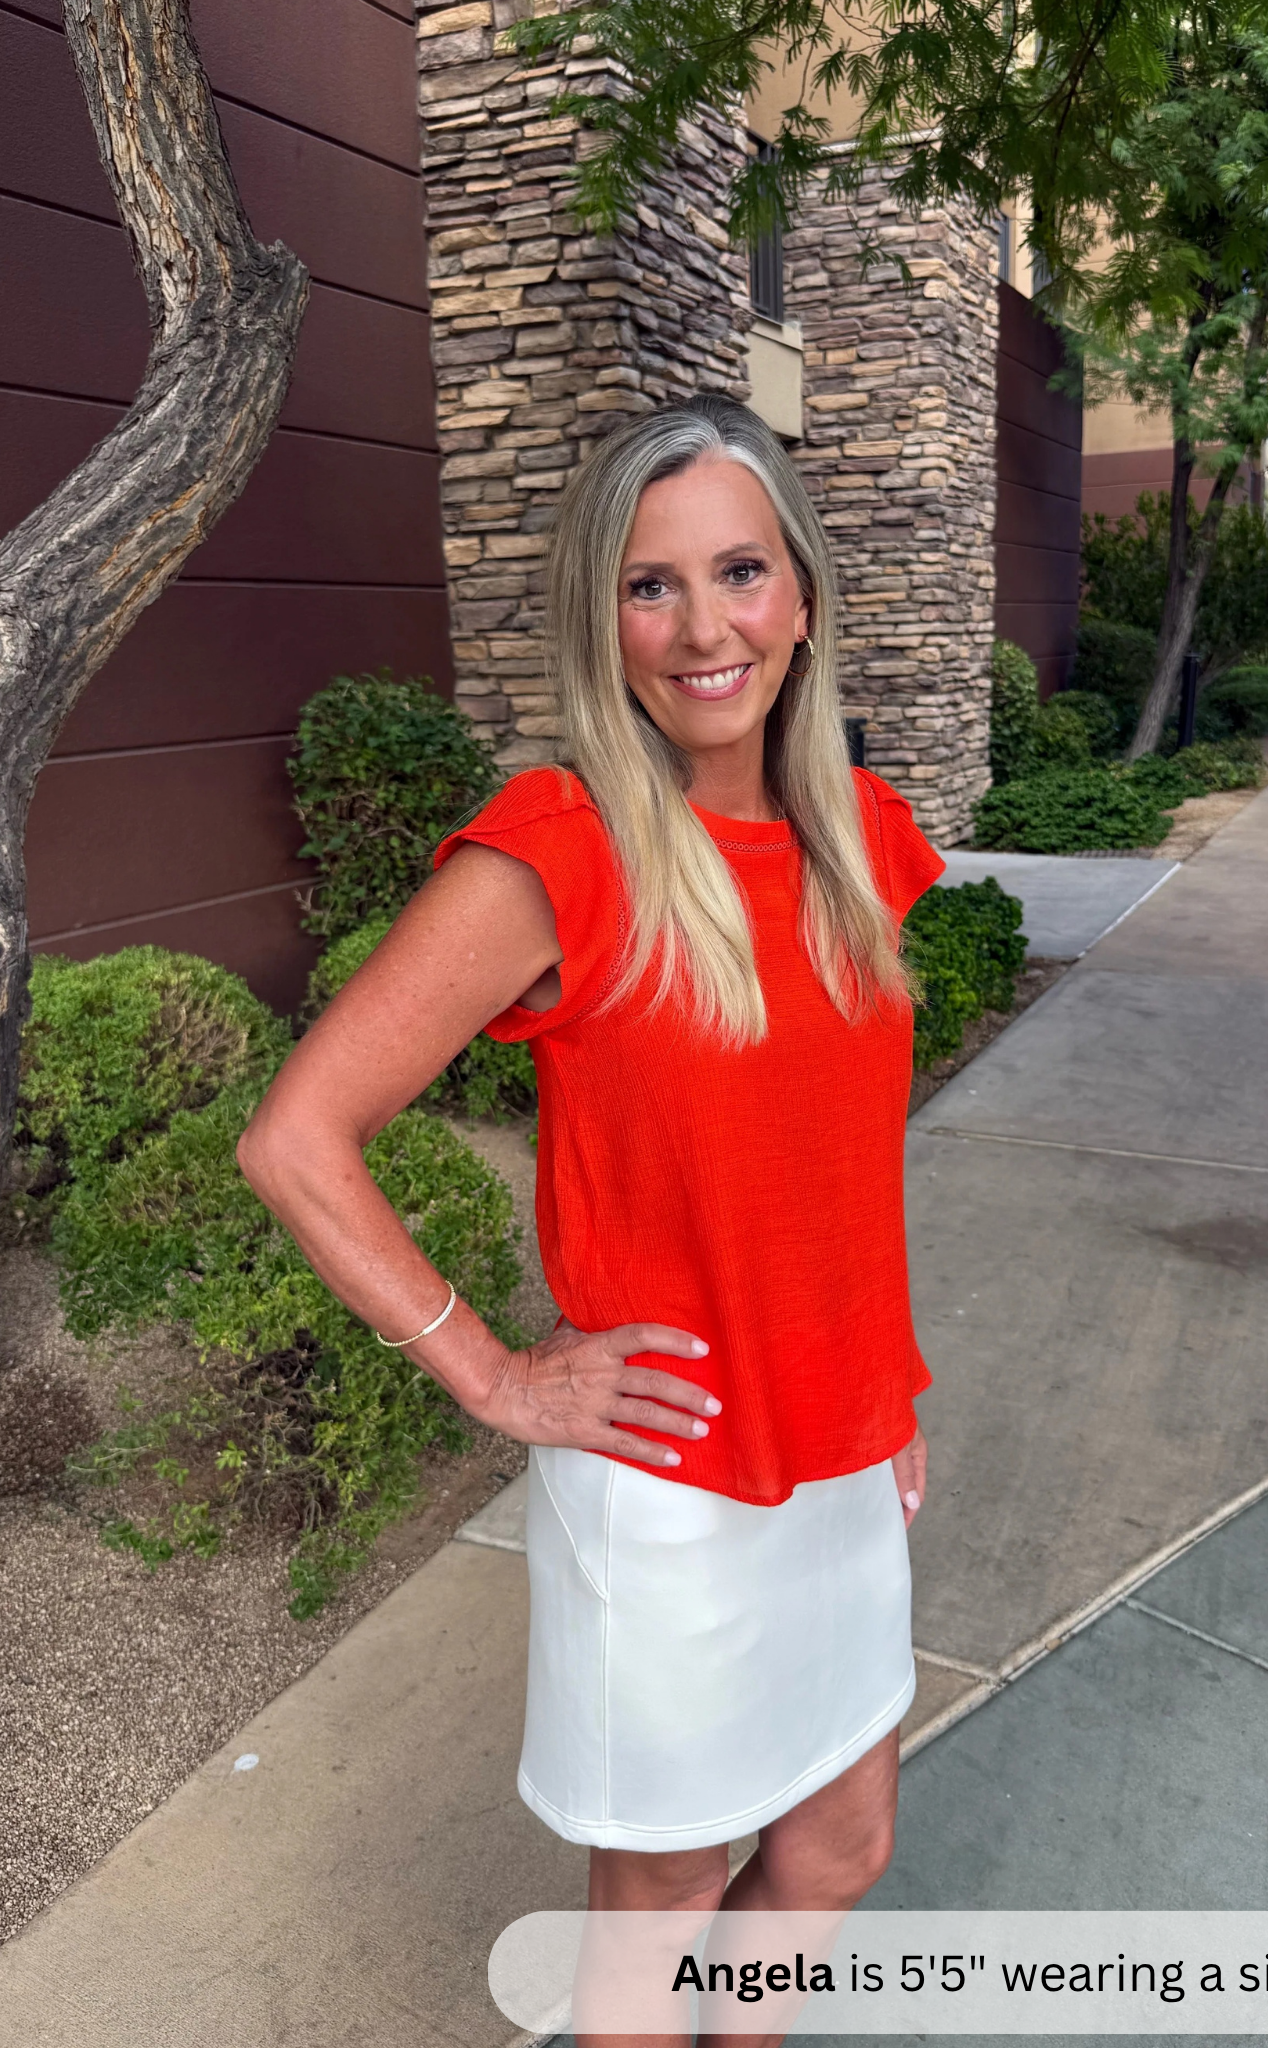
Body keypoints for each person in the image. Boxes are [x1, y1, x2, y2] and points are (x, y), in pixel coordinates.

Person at [237, 392, 945, 2020]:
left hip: (842, 1449)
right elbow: (298, 1137)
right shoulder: (564, 853)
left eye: (742, 571)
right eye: (651, 585)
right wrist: (491, 1373)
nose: (706, 628)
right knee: (662, 1904)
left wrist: (889, 1376)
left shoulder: (863, 841)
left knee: (840, 1847)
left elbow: (837, 1158)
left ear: (804, 596)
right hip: (674, 1474)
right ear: (600, 618)